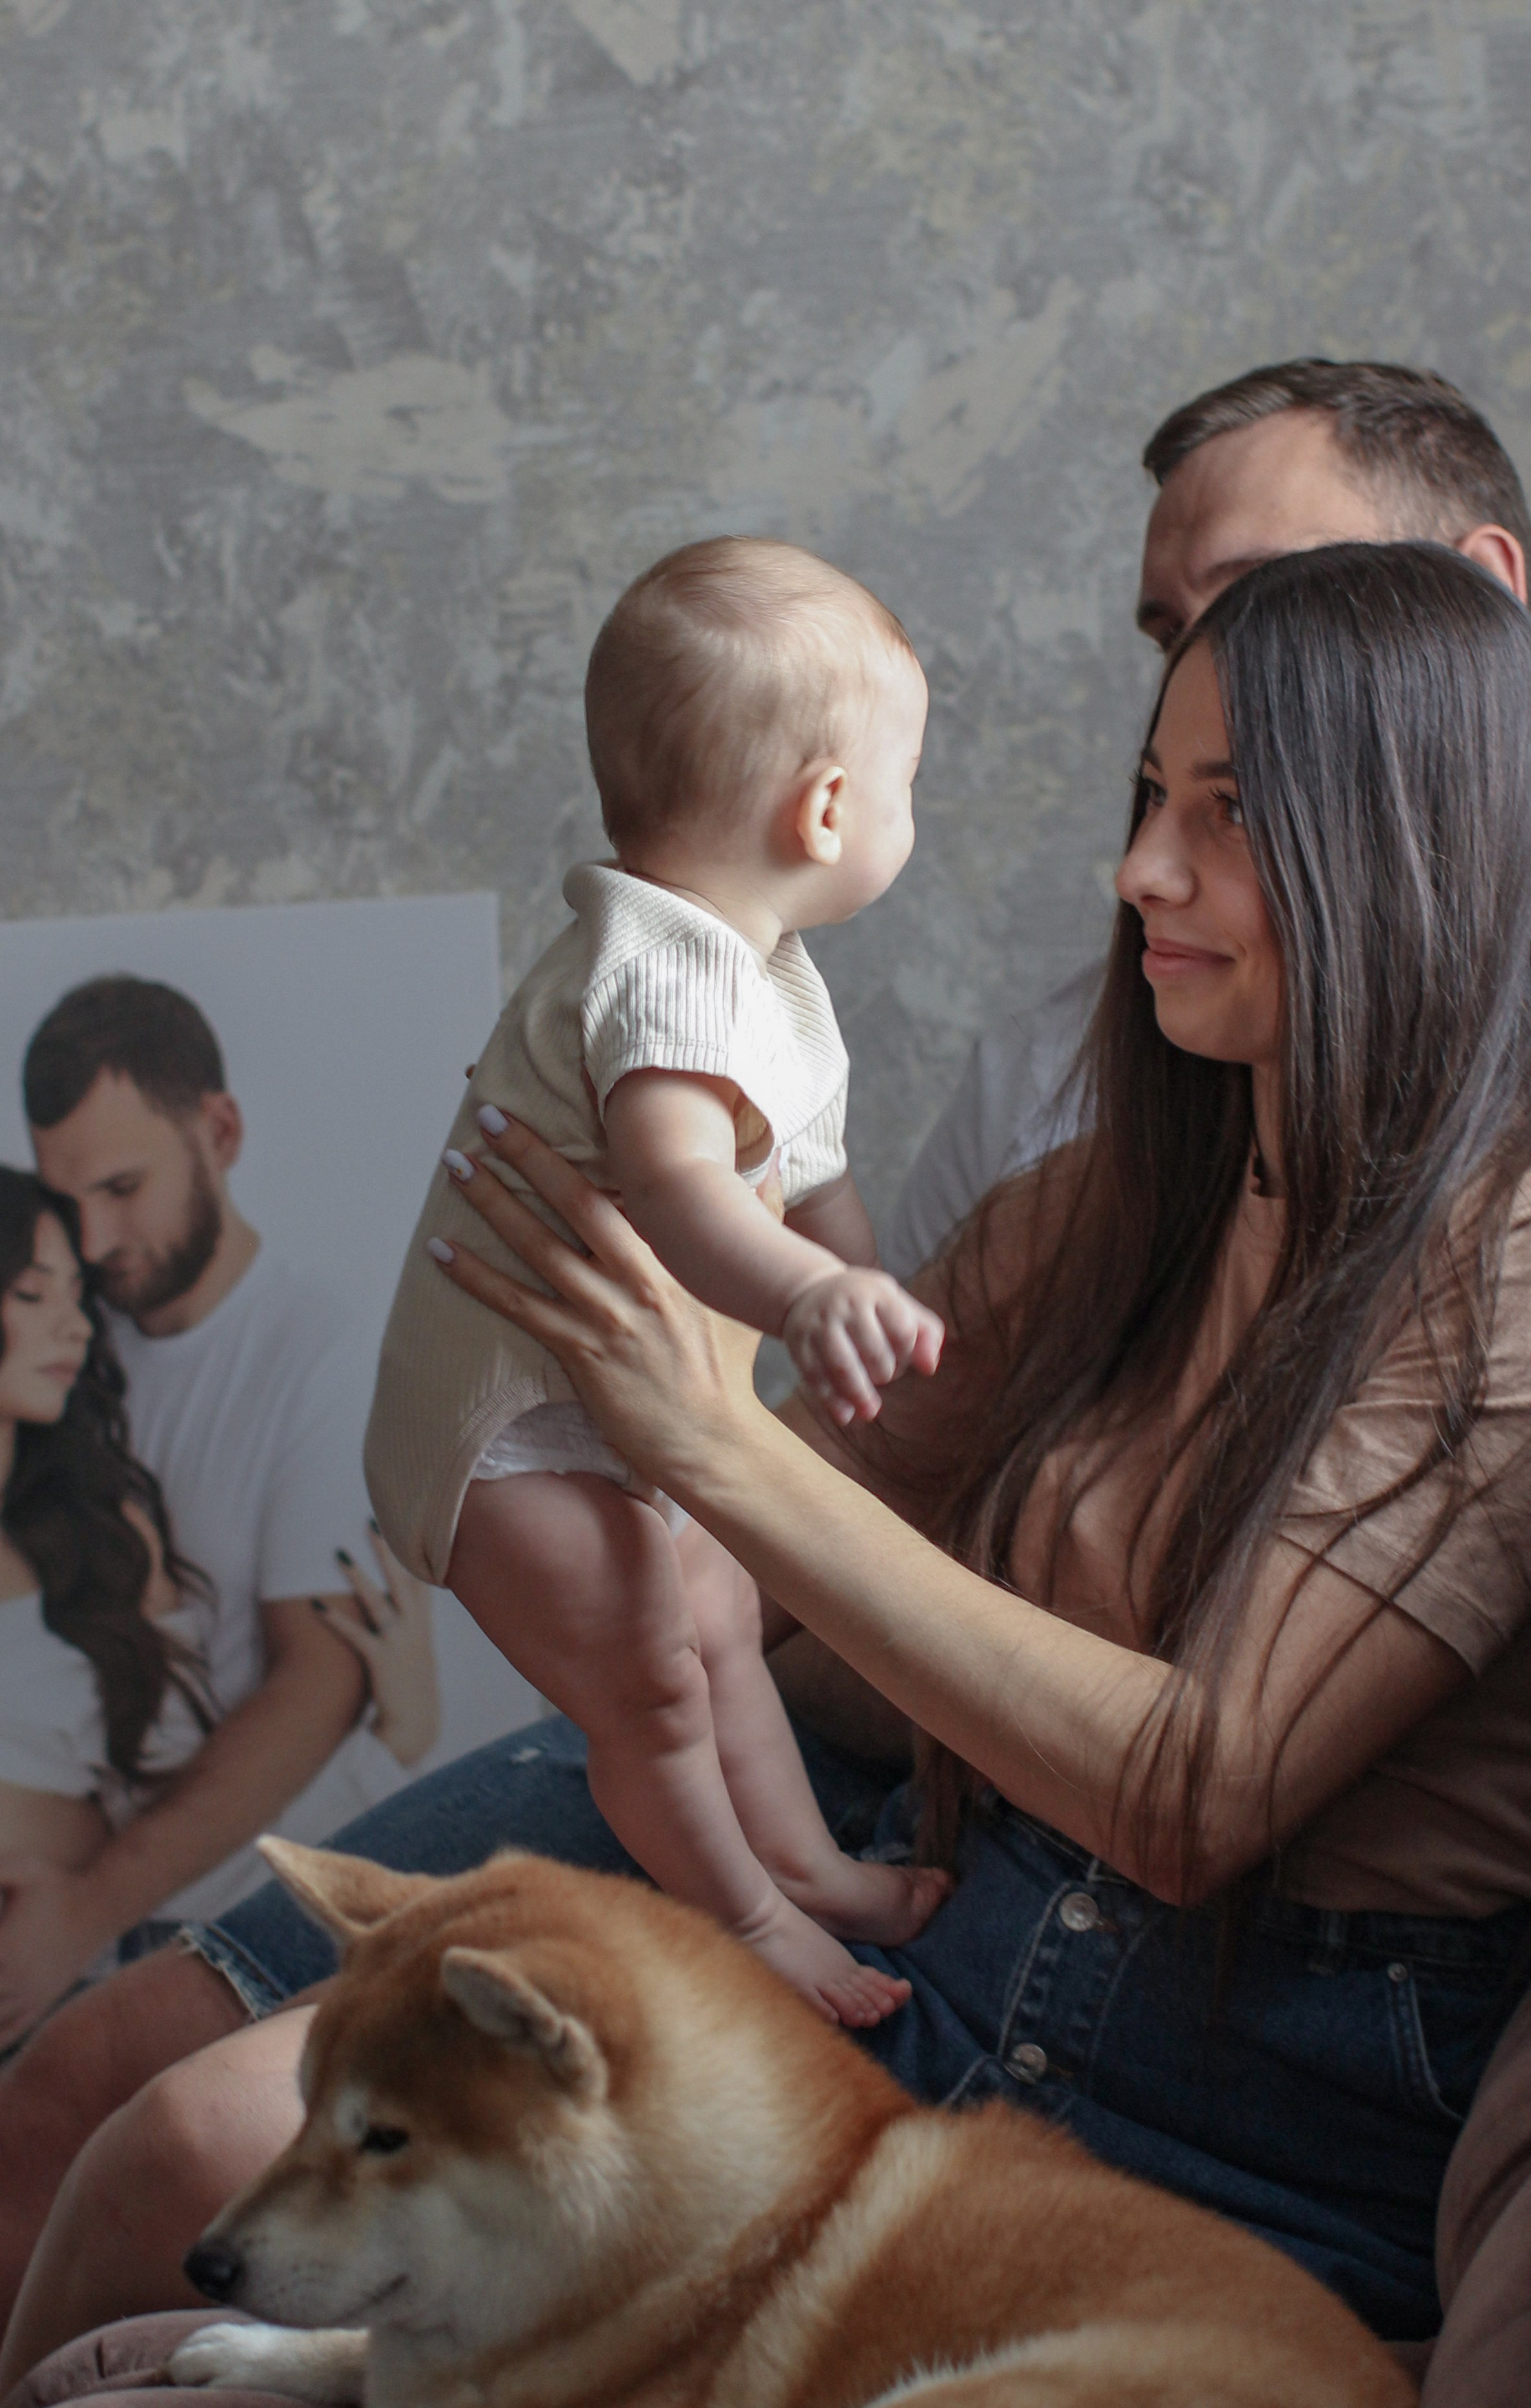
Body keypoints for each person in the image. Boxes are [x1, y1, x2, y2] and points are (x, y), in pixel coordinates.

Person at [0, 345, 1531, 2348]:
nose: (1136, 866)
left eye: (1228, 790)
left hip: (1100, 2013)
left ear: (1434, 708)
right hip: (865, 1816)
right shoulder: (1137, 1166)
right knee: (88, 2090)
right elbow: (813, 1526)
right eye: (1160, 731)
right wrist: (594, 1515)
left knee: (199, 2169)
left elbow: (1171, 1767)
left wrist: (709, 1453)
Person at [882, 359, 1531, 1439]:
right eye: (1171, 634)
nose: (1203, 662)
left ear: (1473, 597)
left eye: (1271, 594)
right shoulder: (1053, 1079)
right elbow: (855, 1463)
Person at [369, 539, 948, 2025]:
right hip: (510, 1433)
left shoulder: (764, 971)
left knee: (720, 1622)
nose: (906, 812)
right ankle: (751, 1919)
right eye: (906, 784)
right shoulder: (663, 971)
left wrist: (860, 1281)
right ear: (825, 807)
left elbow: (807, 1169)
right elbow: (685, 1187)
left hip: (609, 1408)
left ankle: (807, 1870)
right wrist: (813, 1301)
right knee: (653, 1684)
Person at [0, 978, 435, 2046]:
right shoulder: (76, 1339)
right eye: (70, 1201)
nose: (96, 1240)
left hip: (224, 1930)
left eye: (123, 1187)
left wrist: (86, 1909)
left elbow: (319, 1681)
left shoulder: (319, 1361)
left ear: (221, 1132)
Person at [0, 1171, 212, 1908]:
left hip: (81, 1968)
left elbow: (181, 1788)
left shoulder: (106, 1538)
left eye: (76, 1295)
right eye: (32, 1293)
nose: (79, 1327)